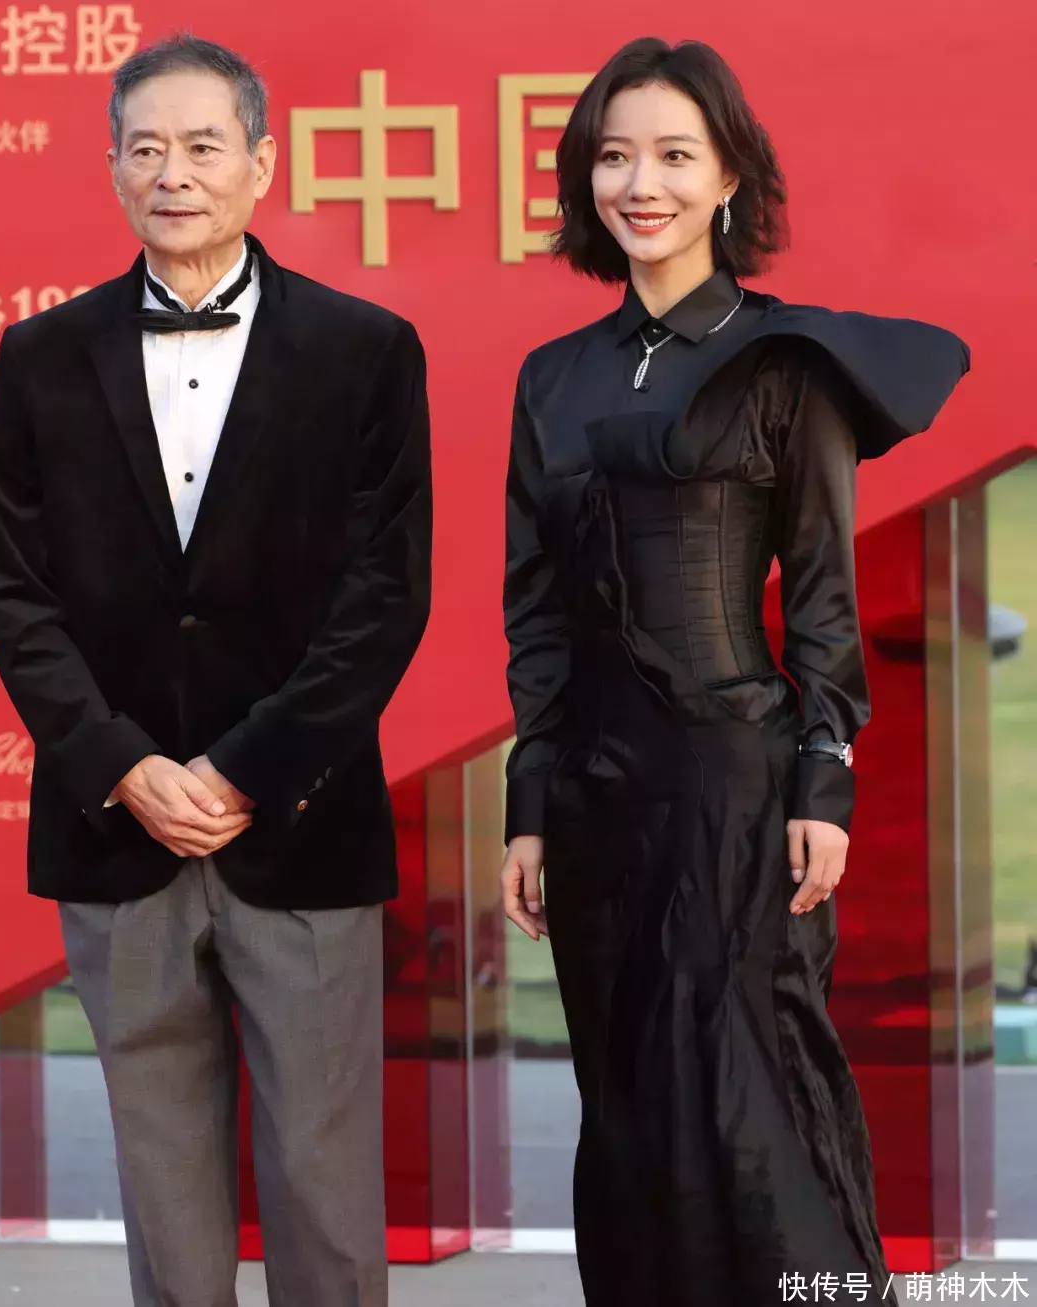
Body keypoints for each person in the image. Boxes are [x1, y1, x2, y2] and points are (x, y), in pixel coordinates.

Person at [499, 37, 968, 1307]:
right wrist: (531, 804)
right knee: (627, 1104)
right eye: (614, 157)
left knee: (751, 1091)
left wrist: (825, 778)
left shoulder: (785, 361)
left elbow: (821, 600)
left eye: (672, 155)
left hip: (739, 787)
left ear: (727, 179)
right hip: (594, 802)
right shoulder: (552, 377)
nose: (639, 183)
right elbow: (537, 614)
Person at [0, 35, 430, 1307]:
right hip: (118, 834)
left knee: (325, 1192)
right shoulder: (41, 355)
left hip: (301, 825)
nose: (172, 172)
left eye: (202, 146)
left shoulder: (363, 349)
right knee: (165, 1195)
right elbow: (14, 590)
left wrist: (246, 767)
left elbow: (385, 595)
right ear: (113, 169)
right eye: (146, 148)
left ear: (261, 164)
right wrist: (123, 765)